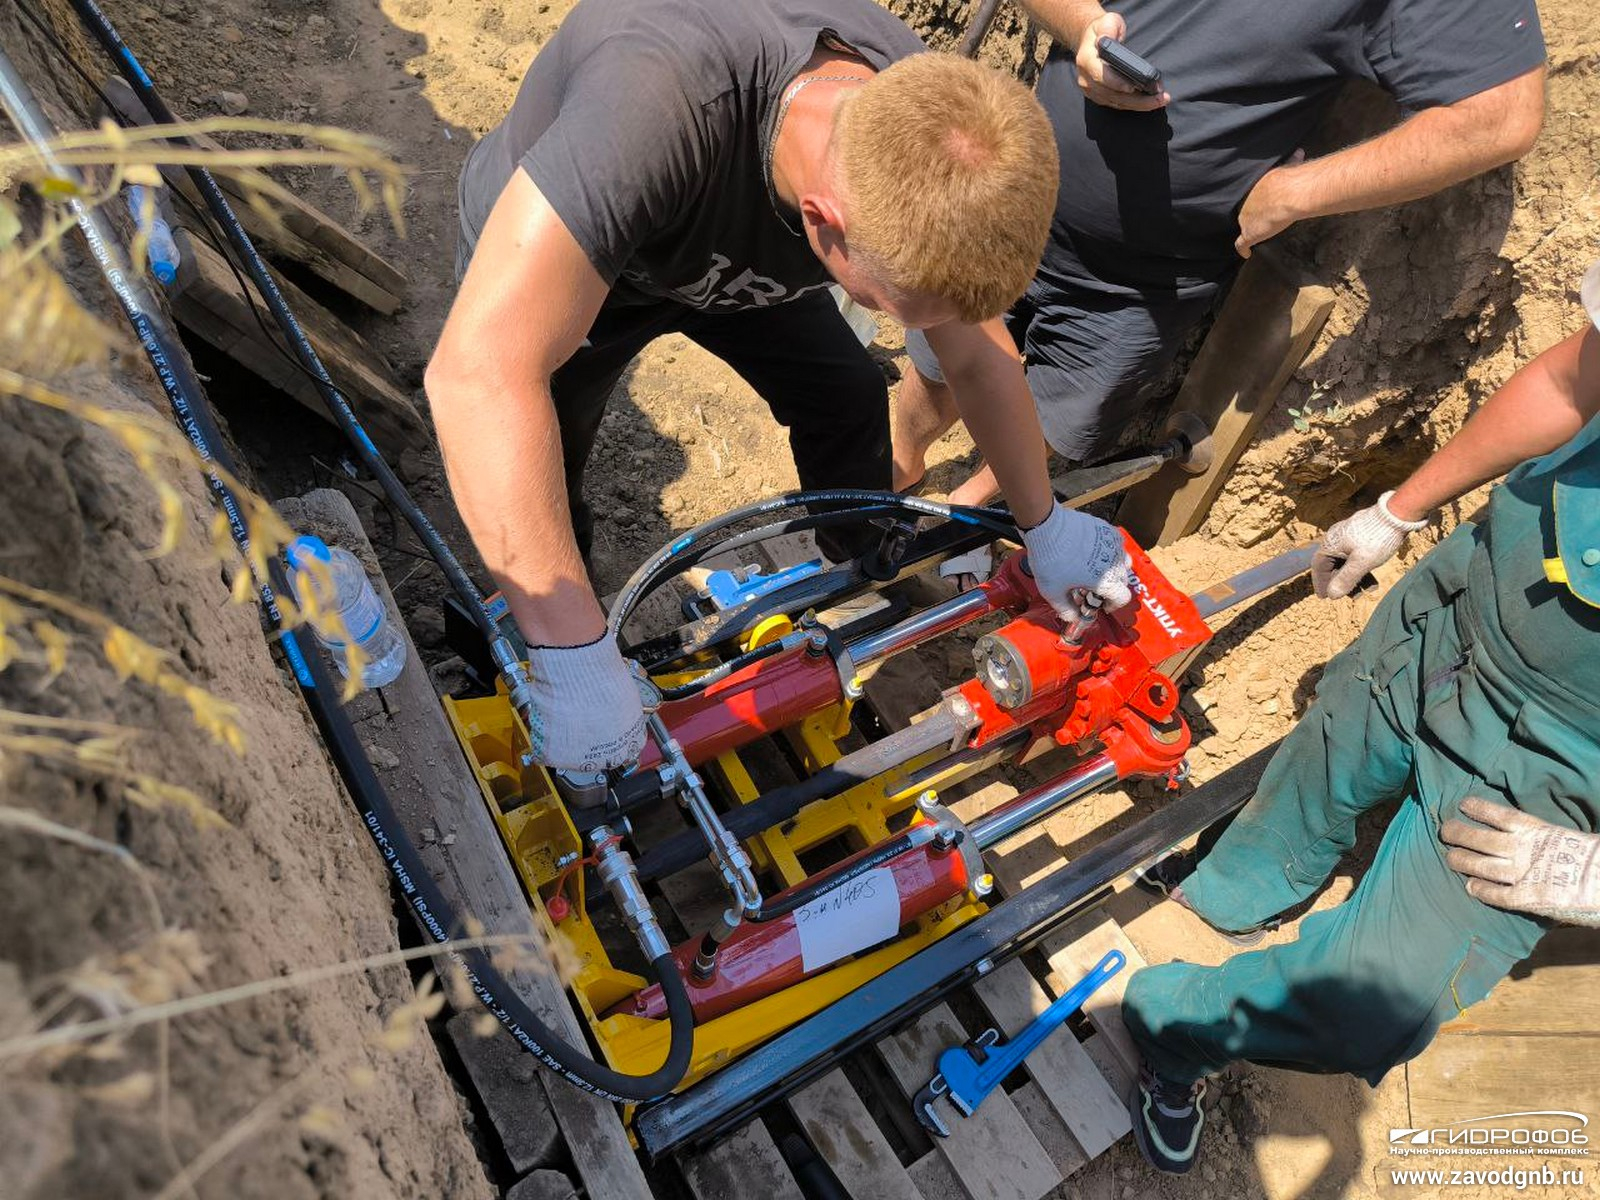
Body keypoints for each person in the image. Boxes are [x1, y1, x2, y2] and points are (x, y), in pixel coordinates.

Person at [425, 0, 1135, 776]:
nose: (914, 326)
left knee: (847, 397)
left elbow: (977, 357)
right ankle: (551, 636)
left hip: (726, 260)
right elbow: (479, 373)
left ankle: (855, 564)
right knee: (546, 452)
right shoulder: (657, 103)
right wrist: (573, 651)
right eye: (891, 307)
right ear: (822, 223)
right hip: (582, 263)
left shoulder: (922, 126)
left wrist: (1045, 524)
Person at [1120, 263, 1600, 1174]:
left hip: (1550, 783)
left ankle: (1171, 1028)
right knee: (1314, 774)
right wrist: (1396, 509)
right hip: (1458, 613)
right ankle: (1222, 890)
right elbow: (1574, 380)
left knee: (1375, 1007)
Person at [892, 0, 1548, 506]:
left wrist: (1297, 192)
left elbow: (1501, 115)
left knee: (1054, 412)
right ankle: (898, 464)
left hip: (1144, 281)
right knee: (939, 361)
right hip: (1009, 200)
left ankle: (970, 506)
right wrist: (1085, 26)